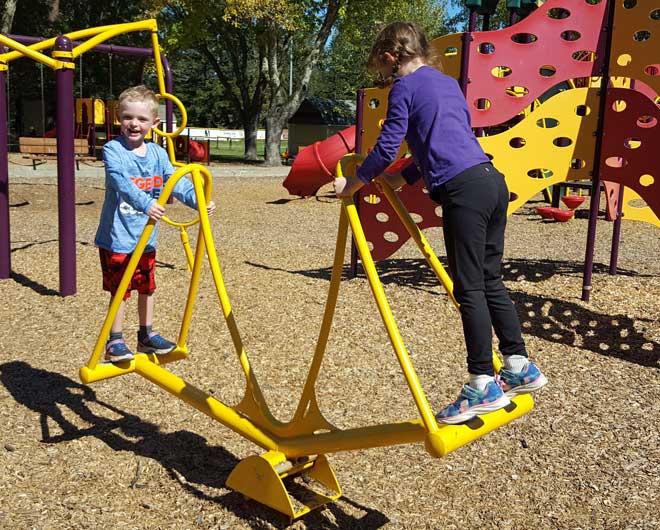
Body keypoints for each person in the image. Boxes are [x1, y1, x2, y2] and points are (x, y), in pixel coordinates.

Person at [334, 22, 547, 424]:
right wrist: (406, 176)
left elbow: (388, 143)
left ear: (391, 56)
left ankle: (482, 382)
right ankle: (519, 364)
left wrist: (354, 183)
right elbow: (443, 137)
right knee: (489, 279)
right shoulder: (446, 84)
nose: (383, 76)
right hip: (490, 181)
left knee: (469, 287)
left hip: (464, 190)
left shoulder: (404, 87)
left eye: (381, 66)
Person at [95, 85, 216, 363]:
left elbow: (174, 182)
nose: (134, 124)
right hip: (117, 237)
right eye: (128, 117)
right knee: (120, 290)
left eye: (141, 119)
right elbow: (120, 182)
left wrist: (199, 200)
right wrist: (146, 203)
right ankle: (115, 341)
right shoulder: (113, 150)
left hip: (146, 238)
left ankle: (146, 334)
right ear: (118, 118)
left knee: (147, 287)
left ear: (154, 123)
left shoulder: (158, 154)